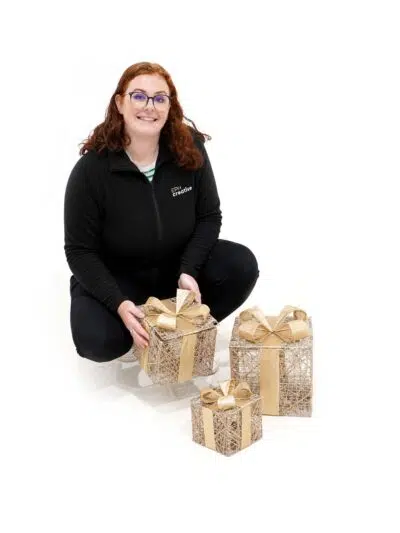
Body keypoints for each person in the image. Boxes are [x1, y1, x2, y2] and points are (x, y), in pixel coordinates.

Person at [64, 61, 259, 364]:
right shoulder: (91, 171)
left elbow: (209, 216)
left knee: (241, 265)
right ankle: (137, 332)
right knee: (96, 341)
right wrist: (118, 302)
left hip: (174, 271)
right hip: (120, 279)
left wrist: (188, 270)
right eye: (139, 96)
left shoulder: (189, 149)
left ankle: (183, 333)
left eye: (159, 98)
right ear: (120, 103)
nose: (149, 106)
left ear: (170, 106)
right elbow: (79, 251)